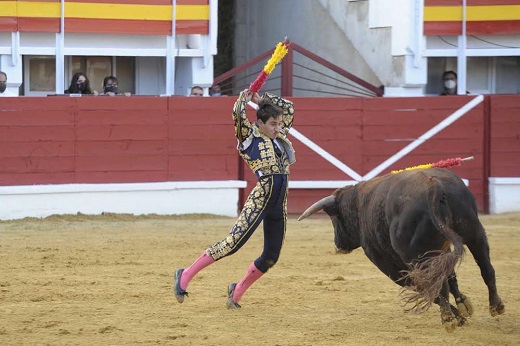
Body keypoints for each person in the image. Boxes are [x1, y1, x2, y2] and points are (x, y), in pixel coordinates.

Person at [174, 88, 296, 309]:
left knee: (271, 256)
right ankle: (185, 274)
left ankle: (236, 291)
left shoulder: (279, 135)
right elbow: (238, 113)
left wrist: (265, 100)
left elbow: (289, 108)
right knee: (231, 244)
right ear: (259, 123)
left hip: (279, 204)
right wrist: (244, 98)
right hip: (260, 200)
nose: (278, 128)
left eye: (279, 124)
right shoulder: (249, 137)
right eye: (273, 124)